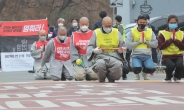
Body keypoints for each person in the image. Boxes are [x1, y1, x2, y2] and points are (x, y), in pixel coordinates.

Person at [87, 16, 125, 82]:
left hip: (114, 55)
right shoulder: (96, 32)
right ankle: (101, 78)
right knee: (100, 64)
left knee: (118, 66)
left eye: (110, 26)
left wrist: (121, 50)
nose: (108, 28)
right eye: (106, 26)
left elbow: (122, 45)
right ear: (102, 24)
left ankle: (111, 77)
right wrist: (94, 51)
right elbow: (90, 46)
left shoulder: (116, 32)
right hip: (100, 56)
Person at [126, 15, 158, 80]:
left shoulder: (150, 31)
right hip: (136, 55)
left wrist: (146, 42)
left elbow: (155, 44)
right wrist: (138, 42)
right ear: (137, 22)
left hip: (147, 55)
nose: (142, 24)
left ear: (146, 23)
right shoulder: (132, 31)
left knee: (151, 68)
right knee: (137, 68)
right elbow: (128, 44)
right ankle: (136, 74)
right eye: (140, 22)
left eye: (144, 23)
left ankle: (144, 73)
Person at [70, 17, 98, 81]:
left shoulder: (93, 33)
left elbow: (96, 46)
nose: (84, 26)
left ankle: (88, 75)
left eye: (86, 24)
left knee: (95, 76)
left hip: (91, 58)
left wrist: (95, 57)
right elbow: (72, 48)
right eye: (82, 24)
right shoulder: (74, 35)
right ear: (79, 24)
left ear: (88, 24)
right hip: (80, 59)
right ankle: (82, 72)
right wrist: (76, 59)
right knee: (79, 77)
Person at [158, 15, 184, 82]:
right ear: (168, 23)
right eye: (171, 23)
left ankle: (177, 76)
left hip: (178, 55)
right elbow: (160, 47)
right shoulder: (162, 33)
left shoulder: (181, 33)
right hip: (167, 56)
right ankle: (168, 76)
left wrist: (175, 40)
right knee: (170, 66)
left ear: (177, 23)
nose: (173, 24)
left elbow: (183, 47)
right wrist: (170, 40)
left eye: (174, 23)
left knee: (180, 65)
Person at [114, 15, 129, 80]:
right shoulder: (122, 26)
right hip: (121, 44)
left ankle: (124, 74)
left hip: (121, 45)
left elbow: (119, 35)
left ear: (116, 20)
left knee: (122, 59)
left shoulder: (119, 26)